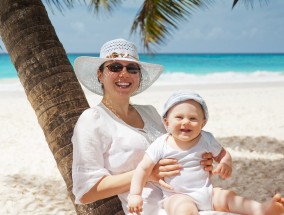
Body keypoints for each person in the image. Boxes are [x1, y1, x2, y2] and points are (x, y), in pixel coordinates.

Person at [71, 39, 215, 215]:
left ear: (138, 76)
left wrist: (200, 157)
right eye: (115, 67)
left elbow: (176, 148)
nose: (124, 74)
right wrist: (147, 173)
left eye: (132, 68)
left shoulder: (150, 112)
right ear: (100, 74)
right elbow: (86, 192)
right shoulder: (92, 120)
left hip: (190, 200)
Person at [128, 91, 284, 215]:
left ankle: (261, 210)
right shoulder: (161, 144)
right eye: (179, 117)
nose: (186, 122)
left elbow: (223, 154)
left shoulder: (206, 139)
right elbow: (143, 169)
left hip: (207, 192)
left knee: (228, 196)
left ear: (203, 124)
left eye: (193, 118)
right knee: (184, 210)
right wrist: (135, 194)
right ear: (167, 122)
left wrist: (225, 163)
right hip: (176, 196)